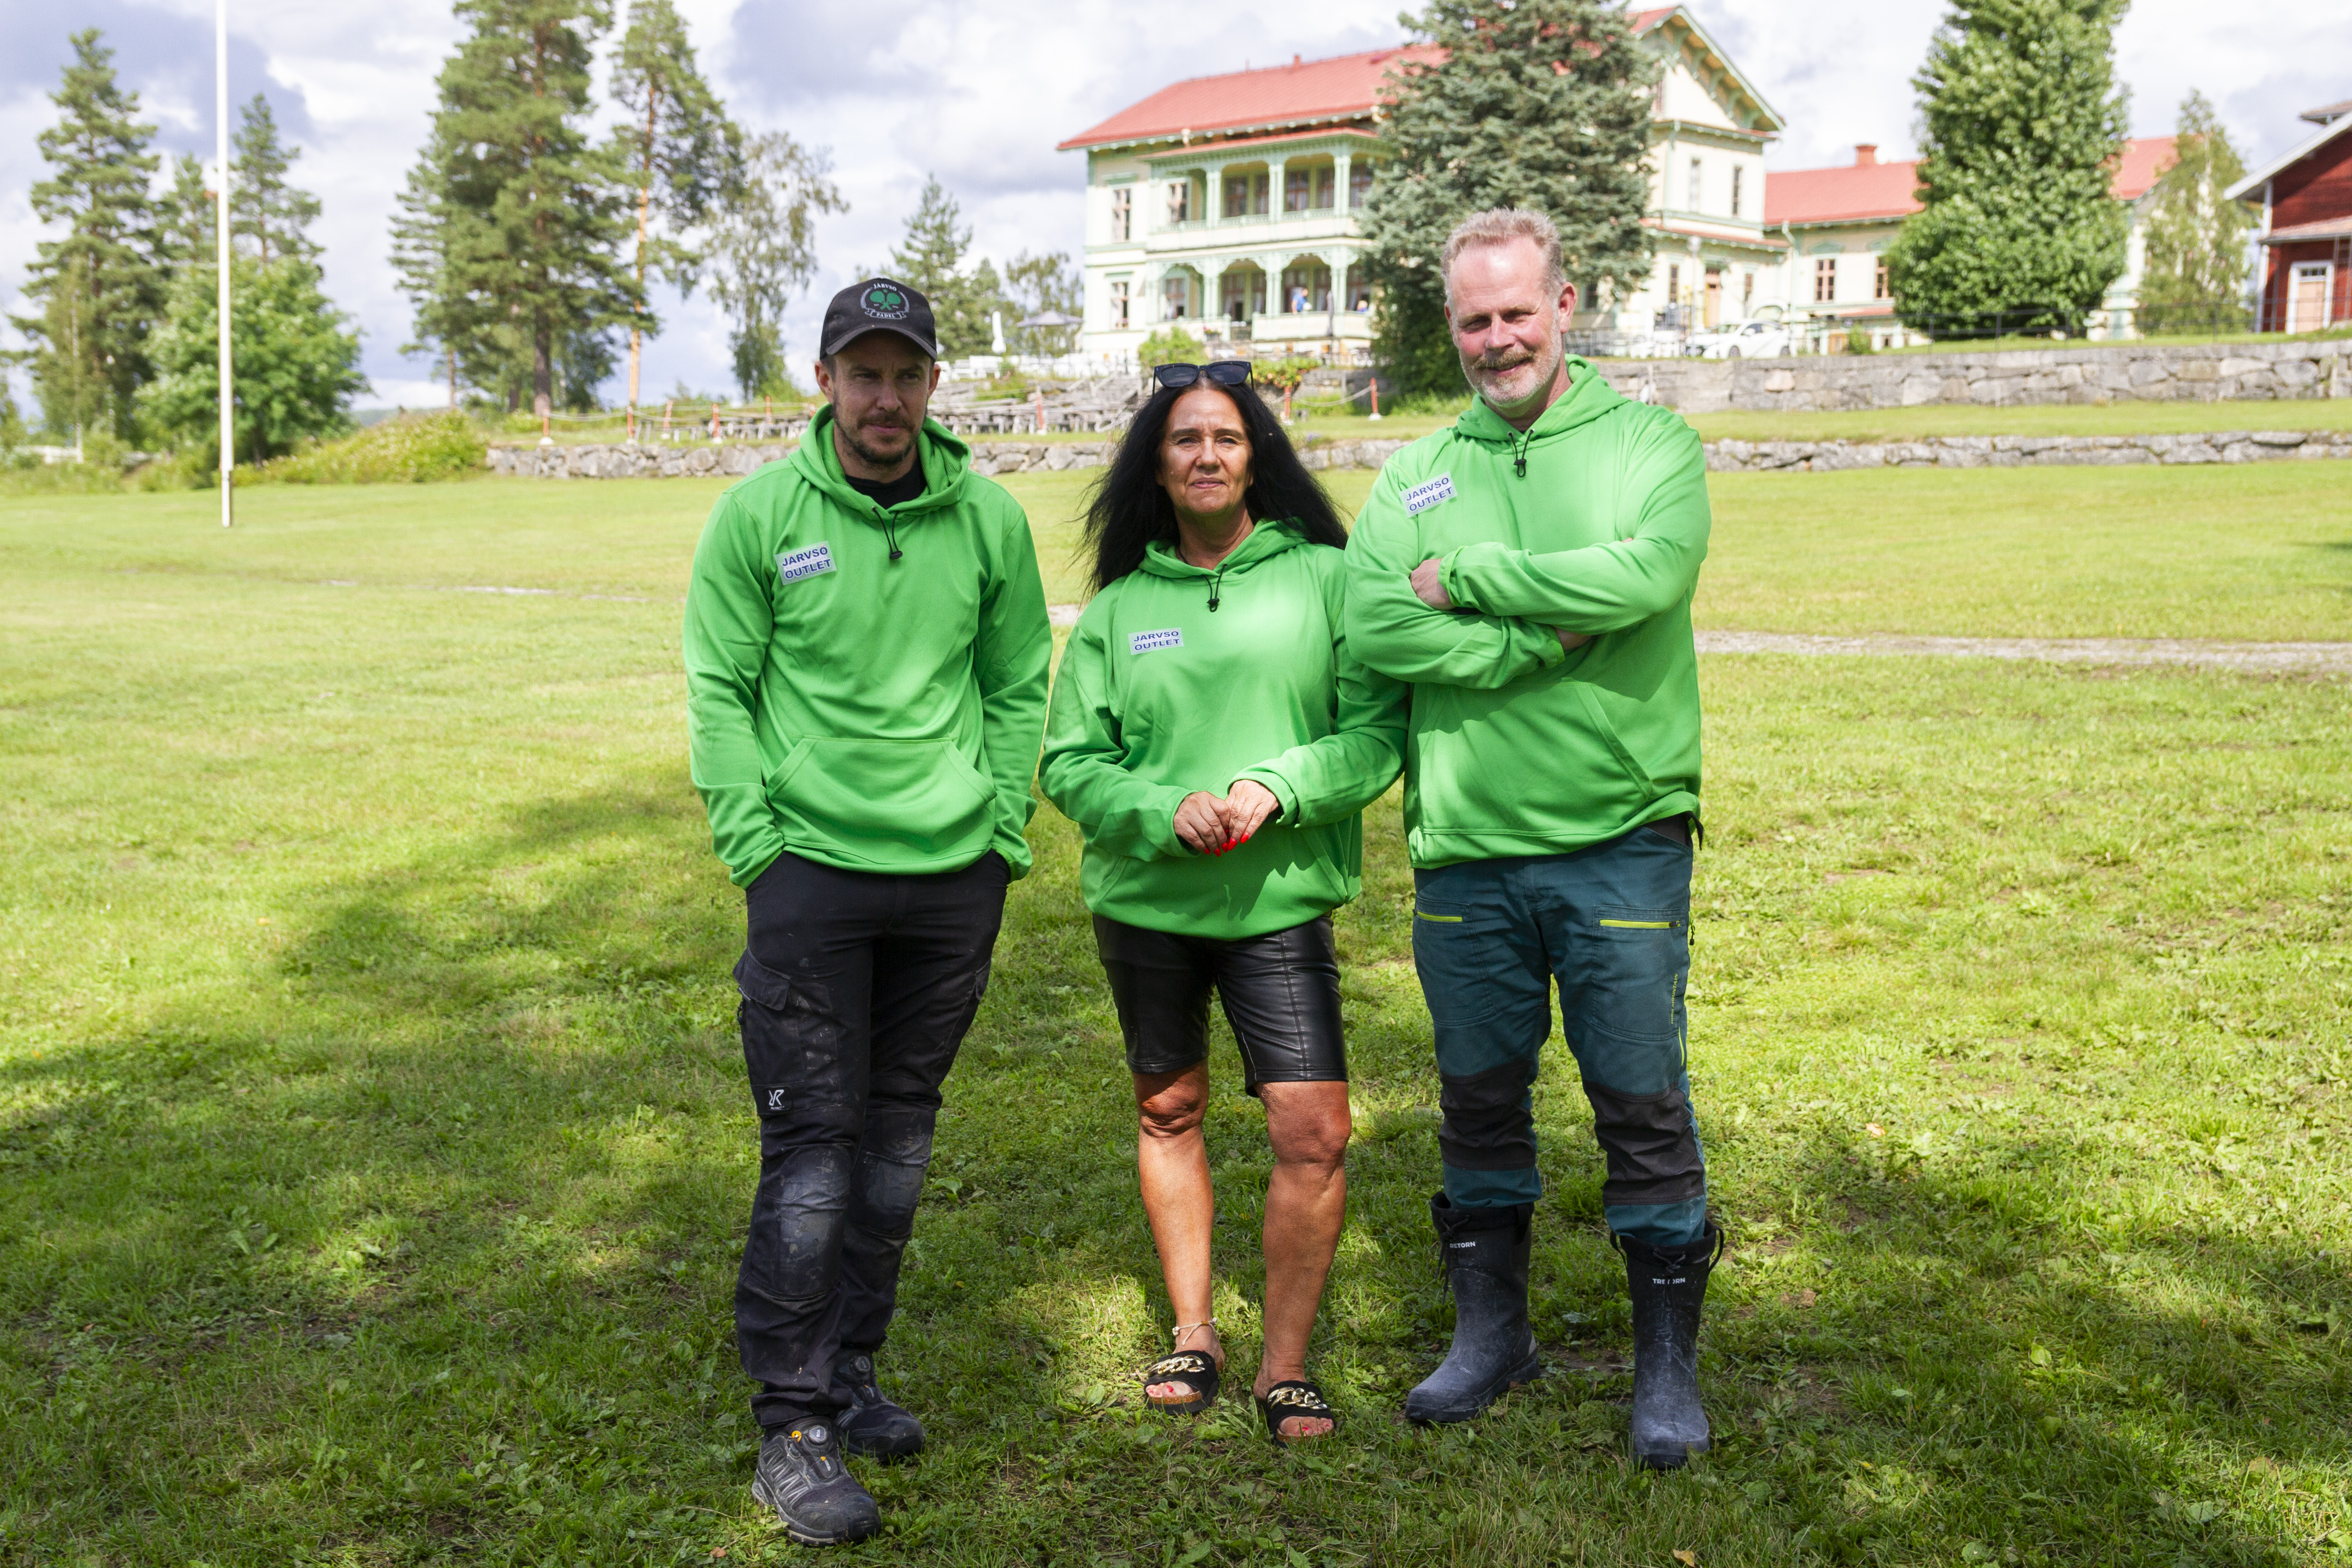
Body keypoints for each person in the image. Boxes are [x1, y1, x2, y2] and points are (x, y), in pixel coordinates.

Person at [1343, 209, 1720, 1468]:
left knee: (1638, 1097)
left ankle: (1666, 1369)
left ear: (1568, 304)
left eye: (1515, 311)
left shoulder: (1648, 444)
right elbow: (1375, 631)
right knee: (1478, 1098)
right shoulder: (1415, 474)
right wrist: (1533, 637)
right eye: (1472, 319)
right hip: (1467, 844)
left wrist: (1482, 579)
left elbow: (1646, 579)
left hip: (1619, 834)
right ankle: (1491, 1338)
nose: (1495, 337)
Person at [681, 277, 1051, 1544]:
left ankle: (851, 1372)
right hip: (811, 878)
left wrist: (1002, 827)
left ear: (934, 384)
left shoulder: (989, 518)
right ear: (825, 380)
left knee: (896, 1144)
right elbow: (719, 688)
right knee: (815, 1148)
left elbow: (1017, 683)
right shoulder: (759, 516)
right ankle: (792, 1421)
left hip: (953, 880)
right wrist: (756, 845)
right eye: (862, 372)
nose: (884, 396)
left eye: (906, 373)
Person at [1041, 360, 1406, 1446]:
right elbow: (1070, 764)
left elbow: (1375, 733)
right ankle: (1194, 1331)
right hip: (1149, 902)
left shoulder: (1328, 581)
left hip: (1279, 901)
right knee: (1169, 1109)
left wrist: (1276, 786)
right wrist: (1163, 808)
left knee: (1313, 1129)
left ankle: (1285, 1366)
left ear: (1258, 459)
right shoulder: (1119, 610)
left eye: (1229, 438)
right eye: (1186, 439)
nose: (1207, 455)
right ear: (1157, 464)